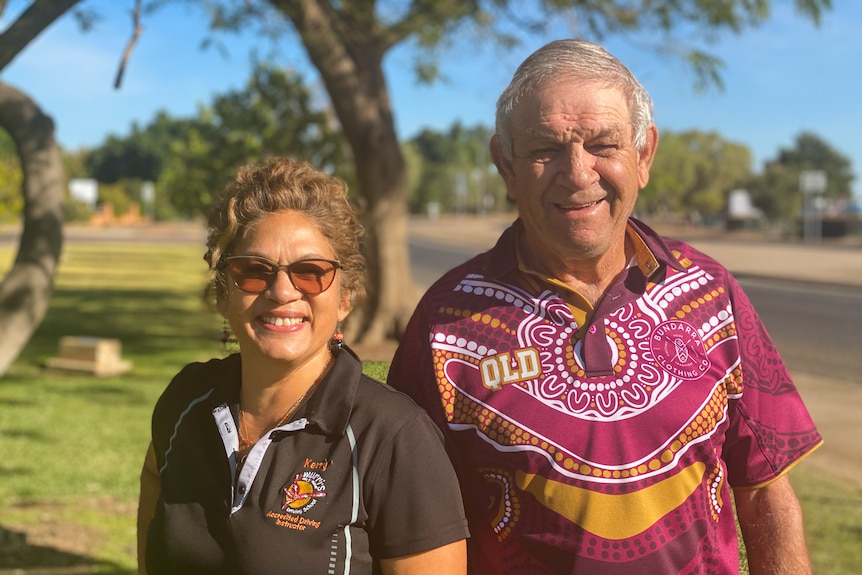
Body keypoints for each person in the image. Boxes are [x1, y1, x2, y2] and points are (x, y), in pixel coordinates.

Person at [387, 39, 822, 574]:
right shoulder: (446, 321)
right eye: (545, 148)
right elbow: (411, 521)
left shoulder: (712, 293)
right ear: (505, 165)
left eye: (603, 144)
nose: (577, 173)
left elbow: (766, 491)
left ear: (643, 156)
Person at [137, 157, 469, 574]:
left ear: (345, 298)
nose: (282, 291)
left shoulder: (394, 438)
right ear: (223, 294)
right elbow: (154, 482)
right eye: (253, 271)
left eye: (310, 272)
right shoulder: (186, 401)